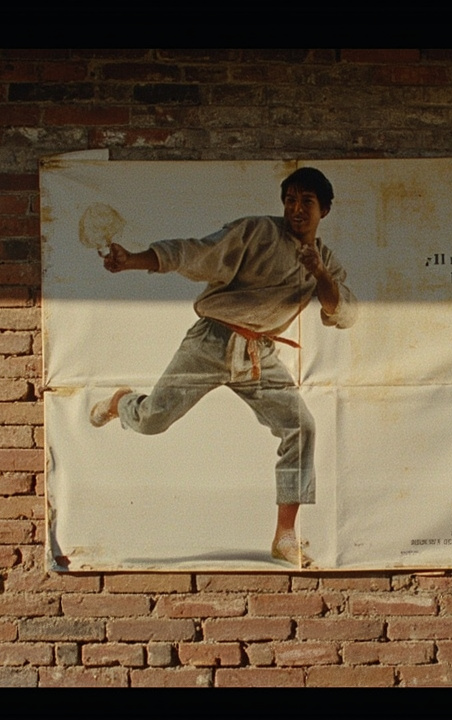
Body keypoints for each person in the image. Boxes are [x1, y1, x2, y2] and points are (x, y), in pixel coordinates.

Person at [87, 167, 357, 568]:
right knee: (150, 421)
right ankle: (123, 401)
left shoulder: (326, 261)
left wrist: (317, 270)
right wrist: (132, 261)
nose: (296, 209)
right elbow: (198, 252)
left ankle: (285, 536)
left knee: (301, 427)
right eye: (290, 200)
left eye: (307, 202)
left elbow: (344, 313)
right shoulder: (257, 232)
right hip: (212, 342)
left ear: (326, 210)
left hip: (259, 355)